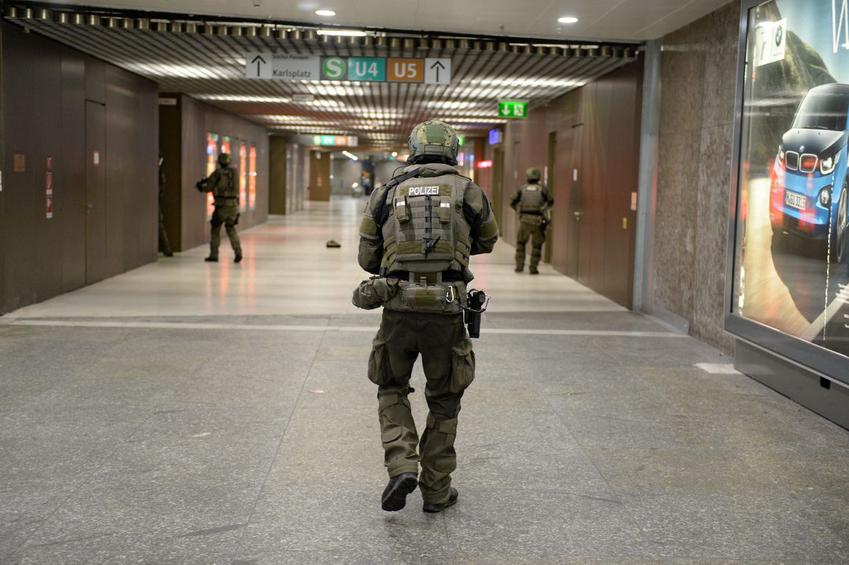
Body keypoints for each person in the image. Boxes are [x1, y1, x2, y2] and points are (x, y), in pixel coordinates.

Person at [356, 120, 498, 513]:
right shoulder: (469, 190)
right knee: (445, 398)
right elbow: (488, 239)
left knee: (390, 386)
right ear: (453, 151)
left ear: (412, 150)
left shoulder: (385, 192)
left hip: (398, 309)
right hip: (447, 308)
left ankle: (402, 464)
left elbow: (367, 258)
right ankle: (436, 491)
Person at [196, 153, 242, 263]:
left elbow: (208, 188)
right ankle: (238, 252)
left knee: (215, 230)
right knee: (231, 229)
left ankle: (214, 255)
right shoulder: (235, 172)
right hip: (234, 206)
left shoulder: (217, 173)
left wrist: (200, 187)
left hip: (221, 206)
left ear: (219, 162)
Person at [510, 168, 553, 274]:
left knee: (520, 244)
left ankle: (519, 267)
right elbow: (550, 201)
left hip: (524, 220)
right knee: (537, 246)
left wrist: (519, 211)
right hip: (538, 221)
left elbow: (512, 201)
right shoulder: (543, 189)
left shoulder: (522, 189)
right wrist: (544, 210)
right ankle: (533, 268)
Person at [158, 155, 174, 257]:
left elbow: (161, 187)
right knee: (159, 225)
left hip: (155, 202)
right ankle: (166, 248)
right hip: (155, 201)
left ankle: (166, 248)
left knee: (159, 224)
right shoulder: (158, 171)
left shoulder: (158, 172)